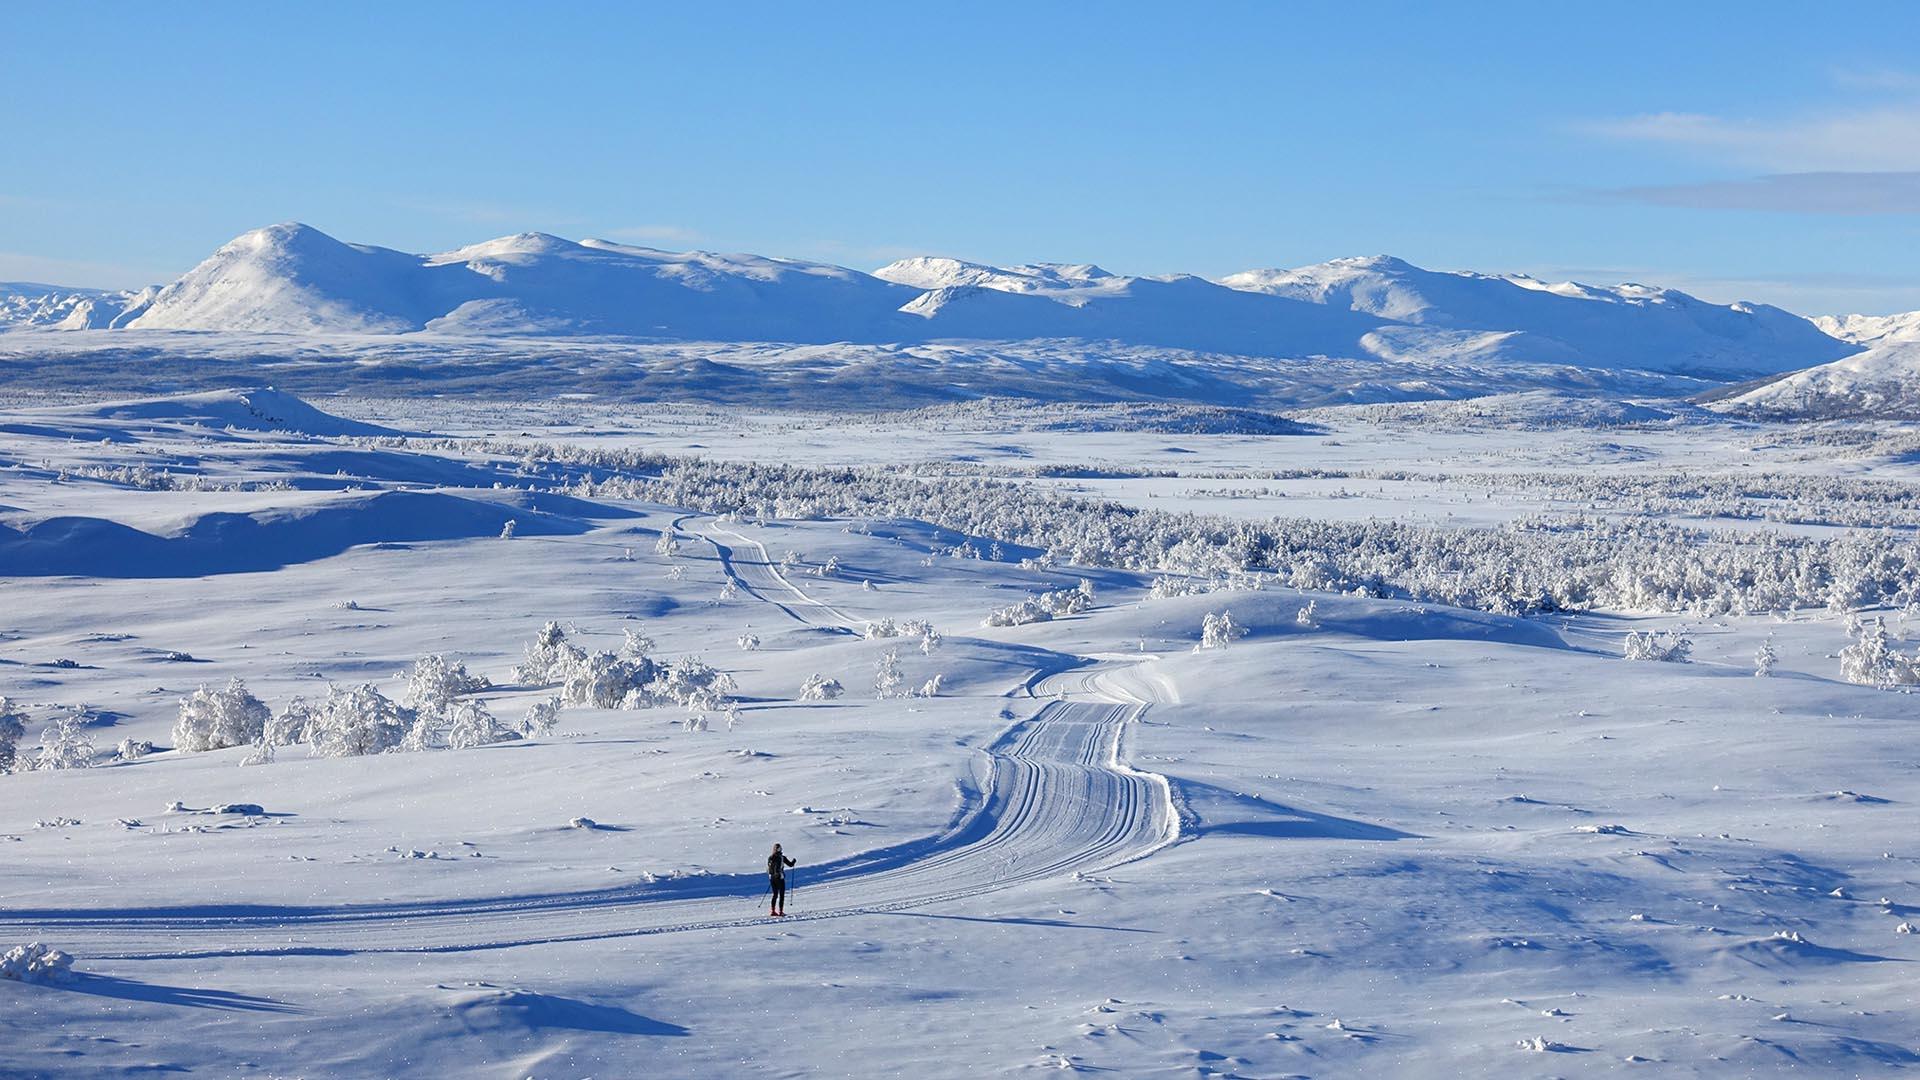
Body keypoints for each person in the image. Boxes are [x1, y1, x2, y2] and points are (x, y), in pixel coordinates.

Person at [767, 843, 796, 917]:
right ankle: (780, 911)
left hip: (772, 877)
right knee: (781, 895)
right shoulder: (782, 857)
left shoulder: (770, 857)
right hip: (780, 877)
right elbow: (790, 865)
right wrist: (794, 861)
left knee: (775, 894)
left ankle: (773, 911)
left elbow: (768, 867)